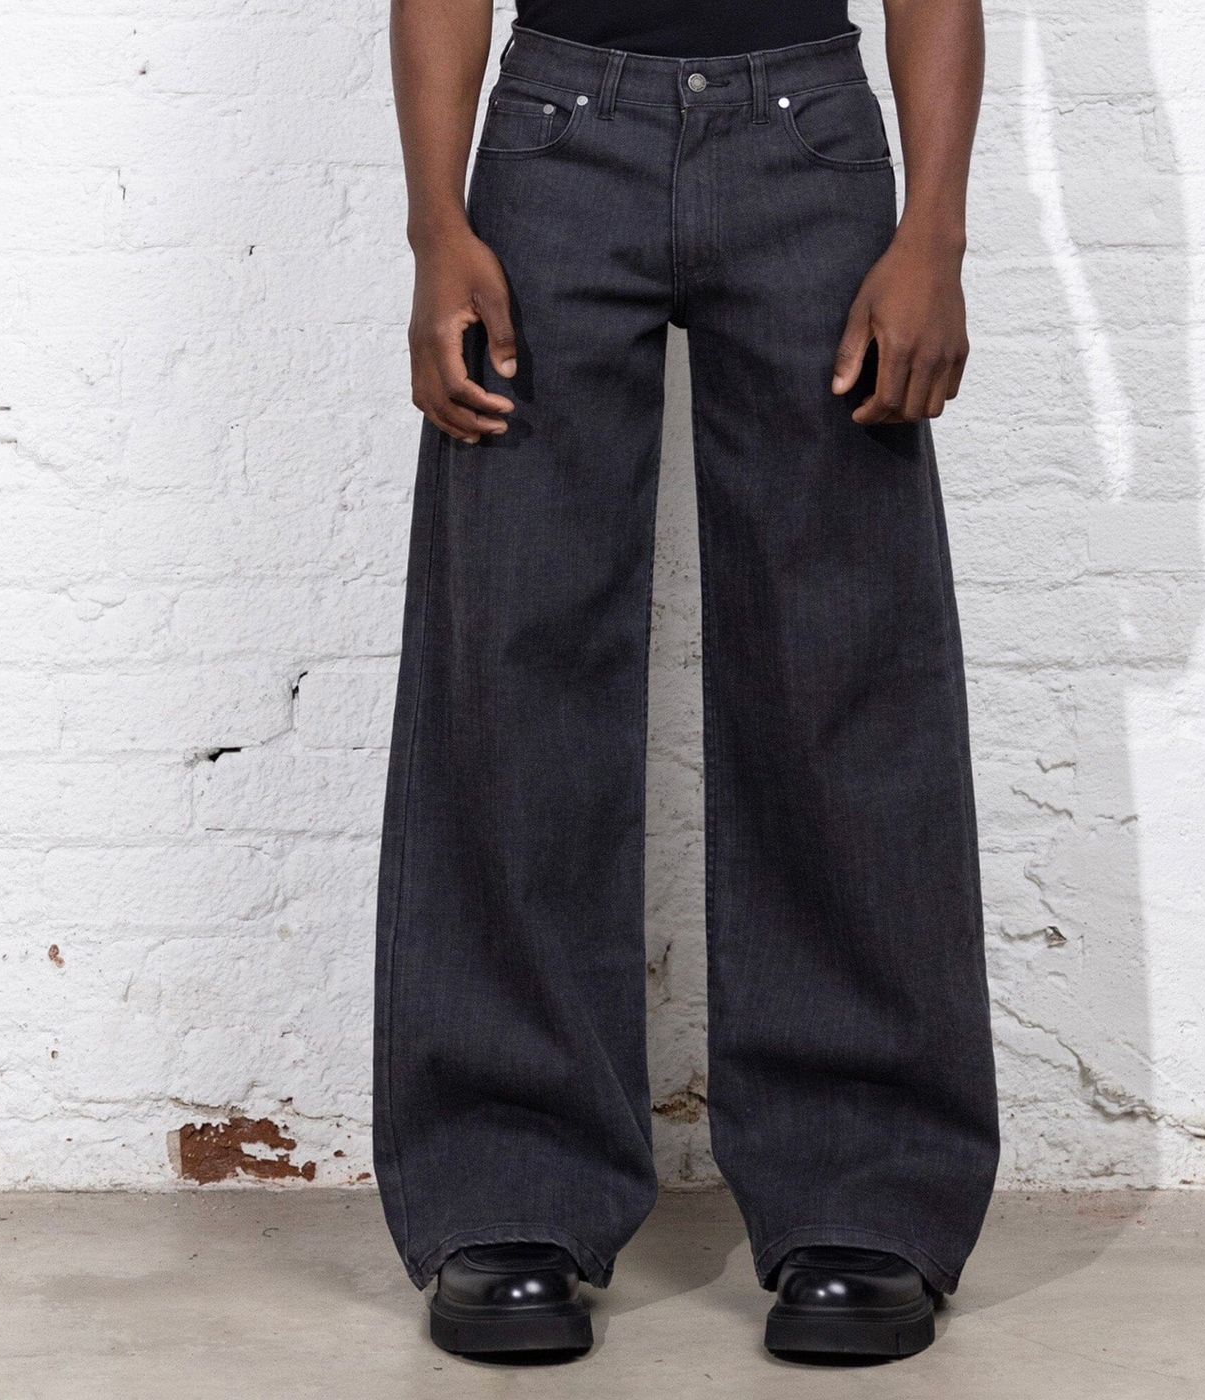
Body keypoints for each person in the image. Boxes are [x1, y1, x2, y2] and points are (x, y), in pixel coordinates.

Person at [374, 0, 999, 1364]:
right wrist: (435, 226)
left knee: (844, 667)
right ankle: (508, 1183)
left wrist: (935, 234)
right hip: (553, 145)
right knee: (511, 659)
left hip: (808, 143)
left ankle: (864, 1185)